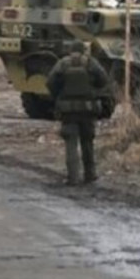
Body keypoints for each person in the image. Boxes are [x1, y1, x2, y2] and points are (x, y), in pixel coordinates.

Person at [46, 42, 110, 186]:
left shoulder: (62, 64)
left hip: (68, 111)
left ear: (70, 51)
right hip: (88, 110)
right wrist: (93, 90)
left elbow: (50, 83)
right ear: (83, 51)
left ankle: (73, 178)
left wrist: (59, 95)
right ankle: (90, 175)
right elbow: (104, 80)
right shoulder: (91, 63)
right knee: (88, 142)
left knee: (71, 144)